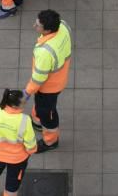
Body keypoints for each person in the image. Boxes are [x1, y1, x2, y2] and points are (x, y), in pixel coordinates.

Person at [24, 9, 72, 153]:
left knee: (48, 114)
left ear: (48, 30)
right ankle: (37, 122)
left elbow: (38, 78)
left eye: (38, 25)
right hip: (58, 79)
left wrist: (26, 92)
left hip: (49, 87)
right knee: (41, 106)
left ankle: (50, 141)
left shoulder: (45, 52)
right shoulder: (62, 26)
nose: (34, 26)